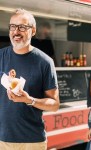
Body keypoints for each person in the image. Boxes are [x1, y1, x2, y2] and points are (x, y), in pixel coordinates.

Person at [0, 8, 59, 150]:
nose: (16, 31)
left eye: (22, 27)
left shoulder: (45, 62)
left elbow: (54, 104)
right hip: (2, 140)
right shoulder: (1, 56)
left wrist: (29, 100)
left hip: (32, 142)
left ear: (33, 31)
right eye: (13, 26)